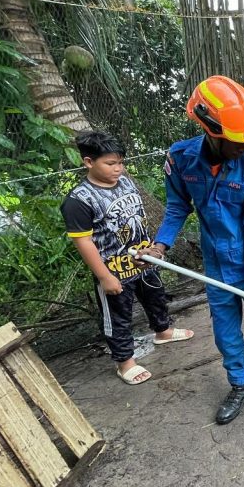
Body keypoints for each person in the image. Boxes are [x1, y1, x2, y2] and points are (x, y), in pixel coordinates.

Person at [139, 76, 244, 423]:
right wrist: (160, 244)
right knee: (224, 332)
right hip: (216, 264)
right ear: (212, 132)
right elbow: (178, 207)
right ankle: (240, 384)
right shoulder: (180, 159)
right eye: (236, 142)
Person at [61, 131, 193, 385]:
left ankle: (163, 331)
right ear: (89, 162)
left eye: (121, 162)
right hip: (114, 270)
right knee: (118, 316)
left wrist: (153, 250)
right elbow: (83, 242)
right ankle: (125, 362)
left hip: (144, 260)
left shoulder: (125, 182)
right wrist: (104, 276)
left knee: (156, 297)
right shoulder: (79, 200)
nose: (118, 168)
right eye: (110, 164)